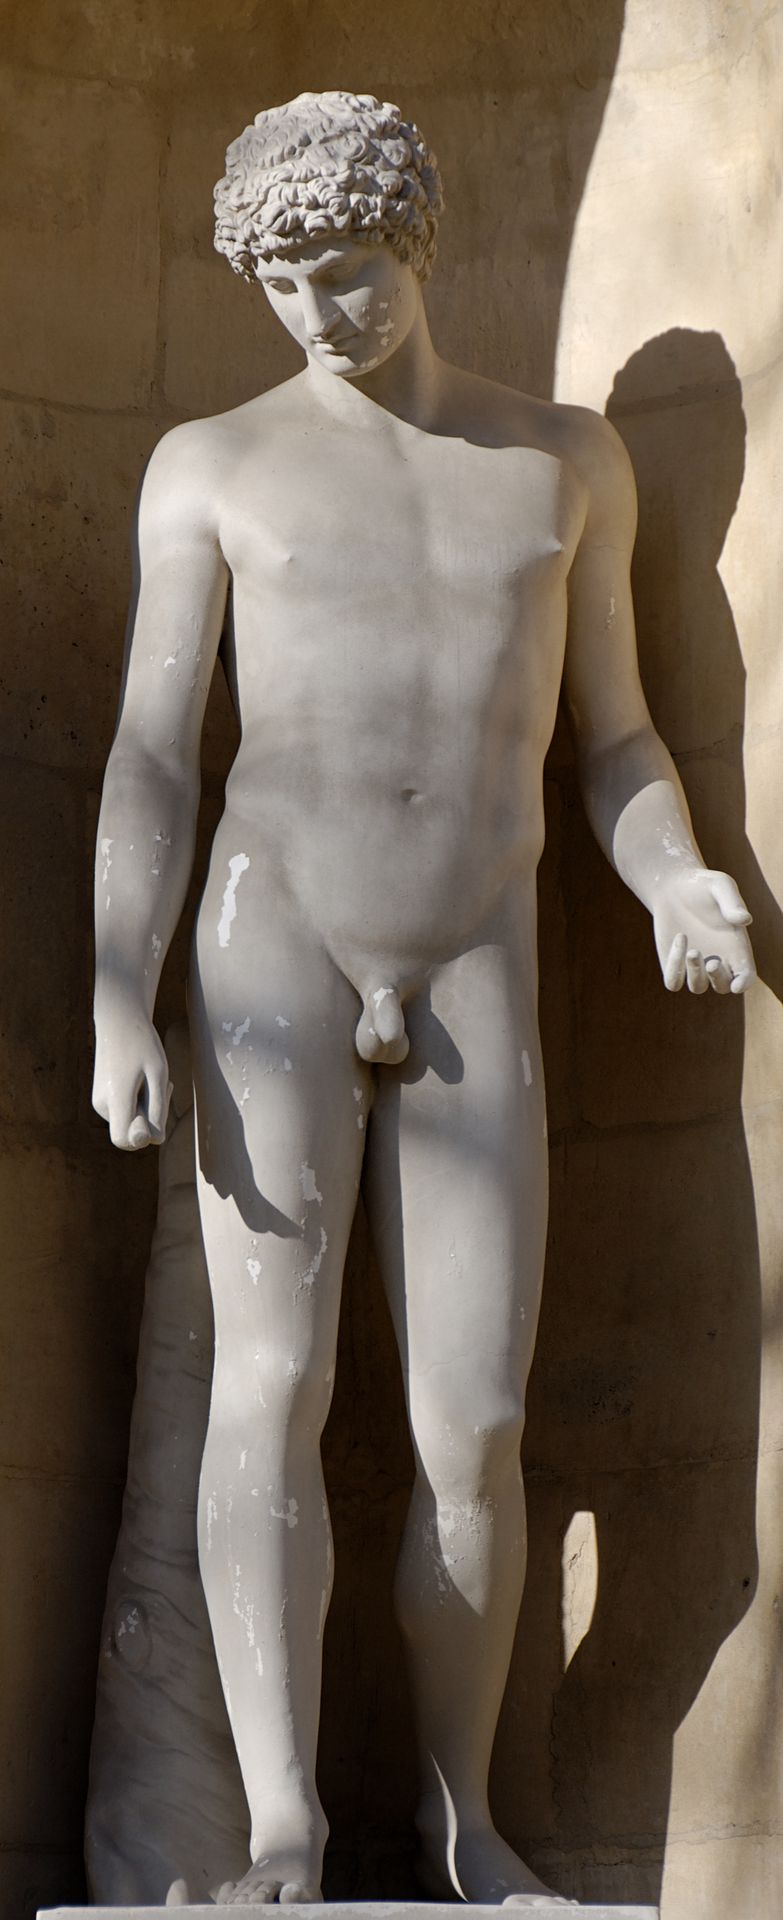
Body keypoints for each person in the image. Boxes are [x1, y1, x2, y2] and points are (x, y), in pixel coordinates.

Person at [93, 91, 756, 1909]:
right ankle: (285, 1823)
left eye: (349, 269)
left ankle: (468, 1814)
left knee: (475, 1421)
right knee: (271, 1386)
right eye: (285, 281)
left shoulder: (564, 463)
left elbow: (616, 739)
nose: (321, 311)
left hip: (479, 946)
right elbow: (151, 753)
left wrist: (675, 876)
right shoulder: (211, 465)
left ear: (417, 241)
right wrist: (118, 995)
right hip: (271, 938)